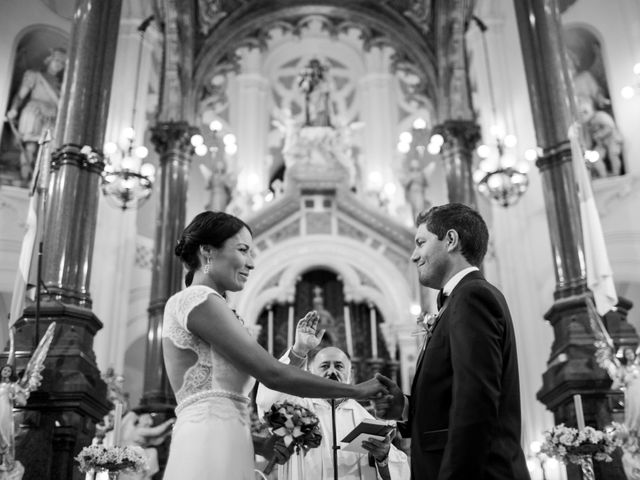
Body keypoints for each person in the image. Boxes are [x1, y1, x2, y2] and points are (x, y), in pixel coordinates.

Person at [161, 211, 387, 480]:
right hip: (207, 440)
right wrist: (356, 390)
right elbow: (272, 374)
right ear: (207, 251)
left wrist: (261, 444)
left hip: (230, 438)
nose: (252, 263)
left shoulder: (215, 305)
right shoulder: (198, 298)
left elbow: (220, 395)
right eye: (243, 250)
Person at [374, 203, 530, 480]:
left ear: (451, 240)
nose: (414, 255)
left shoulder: (471, 297)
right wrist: (407, 408)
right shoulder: (460, 300)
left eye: (421, 242)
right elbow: (456, 394)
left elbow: (476, 400)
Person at [256, 314, 410, 480]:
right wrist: (299, 350)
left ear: (350, 375)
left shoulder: (369, 419)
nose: (331, 371)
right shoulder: (295, 407)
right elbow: (267, 401)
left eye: (338, 366)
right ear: (310, 373)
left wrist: (383, 456)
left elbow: (401, 472)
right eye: (324, 366)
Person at [6, 48, 66, 182]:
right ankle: (25, 177)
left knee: (47, 150)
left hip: (51, 117)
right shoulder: (34, 75)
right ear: (49, 60)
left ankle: (40, 181)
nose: (59, 64)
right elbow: (21, 95)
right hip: (34, 112)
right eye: (57, 60)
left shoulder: (61, 86)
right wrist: (14, 109)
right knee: (30, 146)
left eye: (62, 63)